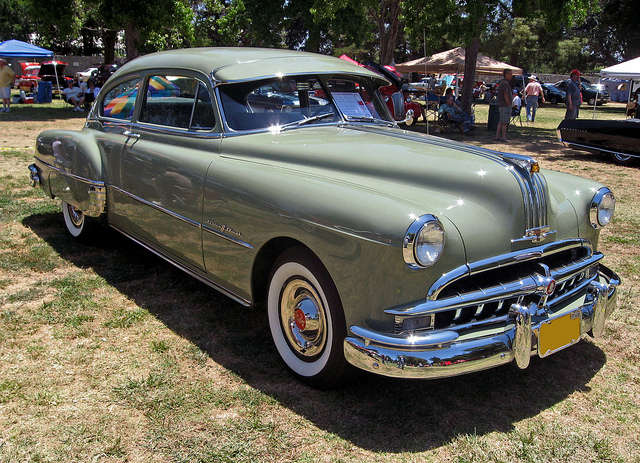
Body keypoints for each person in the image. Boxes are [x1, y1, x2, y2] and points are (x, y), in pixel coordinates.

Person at [495, 68, 513, 141]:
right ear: (506, 75)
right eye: (510, 74)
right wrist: (508, 104)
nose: (511, 76)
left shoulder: (502, 82)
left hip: (501, 105)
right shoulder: (505, 83)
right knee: (505, 122)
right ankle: (504, 136)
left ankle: (497, 135)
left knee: (501, 121)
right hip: (505, 105)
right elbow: (506, 94)